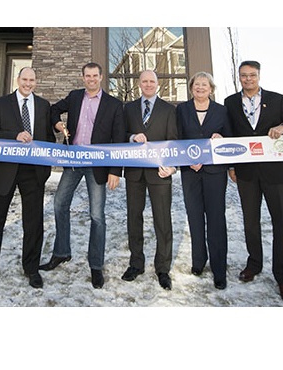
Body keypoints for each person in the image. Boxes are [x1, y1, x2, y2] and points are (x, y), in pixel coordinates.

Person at [223, 60, 283, 302]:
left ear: (259, 76)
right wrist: (230, 165)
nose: (248, 79)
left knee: (282, 224)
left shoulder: (278, 99)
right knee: (250, 222)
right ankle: (254, 264)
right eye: (244, 76)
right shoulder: (230, 103)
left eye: (252, 75)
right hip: (246, 173)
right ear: (239, 77)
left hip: (275, 173)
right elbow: (228, 135)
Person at [40, 62, 126, 289]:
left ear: (101, 77)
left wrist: (115, 170)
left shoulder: (114, 104)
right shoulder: (75, 97)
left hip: (97, 165)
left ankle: (96, 265)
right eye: (87, 76)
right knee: (59, 204)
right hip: (73, 162)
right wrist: (58, 123)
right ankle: (62, 252)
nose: (91, 79)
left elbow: (118, 138)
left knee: (97, 215)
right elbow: (53, 109)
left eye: (95, 76)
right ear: (83, 78)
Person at [0, 67, 55, 298]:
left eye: (32, 80)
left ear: (36, 82)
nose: (28, 83)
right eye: (25, 79)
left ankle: (31, 269)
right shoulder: (1, 103)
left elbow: (48, 138)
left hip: (33, 172)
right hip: (5, 170)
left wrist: (45, 169)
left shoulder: (43, 106)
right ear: (17, 80)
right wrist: (14, 135)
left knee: (33, 223)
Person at [120, 70, 179, 290]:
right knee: (134, 218)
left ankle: (162, 268)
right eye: (144, 81)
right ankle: (136, 263)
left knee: (162, 220)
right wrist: (132, 137)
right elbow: (122, 133)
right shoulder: (129, 108)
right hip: (135, 172)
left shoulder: (168, 110)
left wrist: (172, 167)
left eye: (151, 81)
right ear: (139, 84)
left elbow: (173, 141)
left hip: (160, 172)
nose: (148, 84)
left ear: (157, 84)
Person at [175, 72, 232, 290]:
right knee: (195, 217)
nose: (200, 88)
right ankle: (199, 261)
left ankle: (219, 270)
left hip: (215, 173)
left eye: (204, 85)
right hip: (191, 173)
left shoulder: (221, 111)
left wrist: (222, 138)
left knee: (216, 219)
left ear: (211, 89)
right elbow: (178, 138)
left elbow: (230, 137)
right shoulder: (182, 110)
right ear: (191, 88)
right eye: (196, 84)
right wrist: (189, 160)